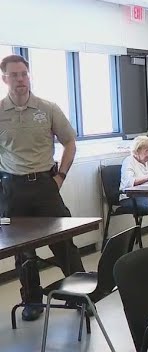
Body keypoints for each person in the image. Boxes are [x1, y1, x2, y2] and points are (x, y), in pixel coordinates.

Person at [0, 55, 85, 321]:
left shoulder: (47, 108)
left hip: (46, 186)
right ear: (4, 79)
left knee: (64, 240)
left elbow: (70, 142)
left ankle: (80, 295)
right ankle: (32, 301)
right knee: (22, 250)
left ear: (29, 75)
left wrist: (60, 176)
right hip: (13, 188)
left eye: (24, 74)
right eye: (14, 75)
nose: (20, 79)